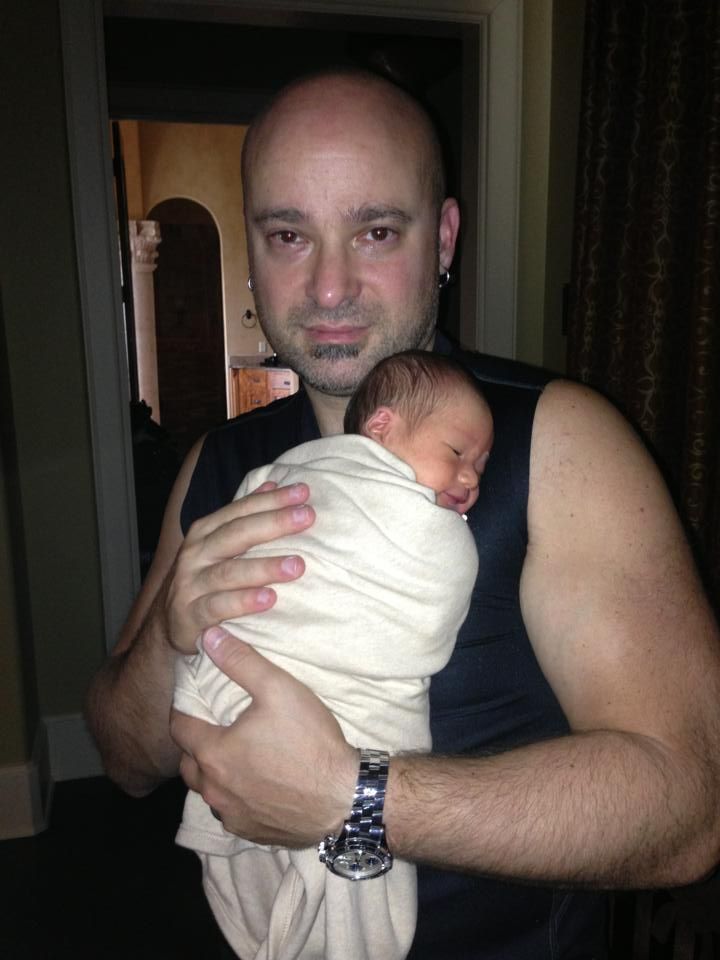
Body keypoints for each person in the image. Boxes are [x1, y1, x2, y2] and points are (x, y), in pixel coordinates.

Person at [85, 68, 720, 960]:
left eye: (376, 231)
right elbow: (124, 760)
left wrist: (357, 798)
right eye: (288, 235)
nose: (329, 286)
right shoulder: (220, 463)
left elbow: (691, 804)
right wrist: (167, 638)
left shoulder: (560, 445)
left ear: (444, 238)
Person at [172, 350, 493, 960]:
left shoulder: (279, 470)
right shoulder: (285, 469)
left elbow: (425, 618)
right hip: (242, 690)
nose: (472, 477)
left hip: (333, 725)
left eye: (480, 465)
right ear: (381, 428)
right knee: (353, 903)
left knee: (328, 875)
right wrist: (182, 624)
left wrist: (352, 793)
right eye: (458, 453)